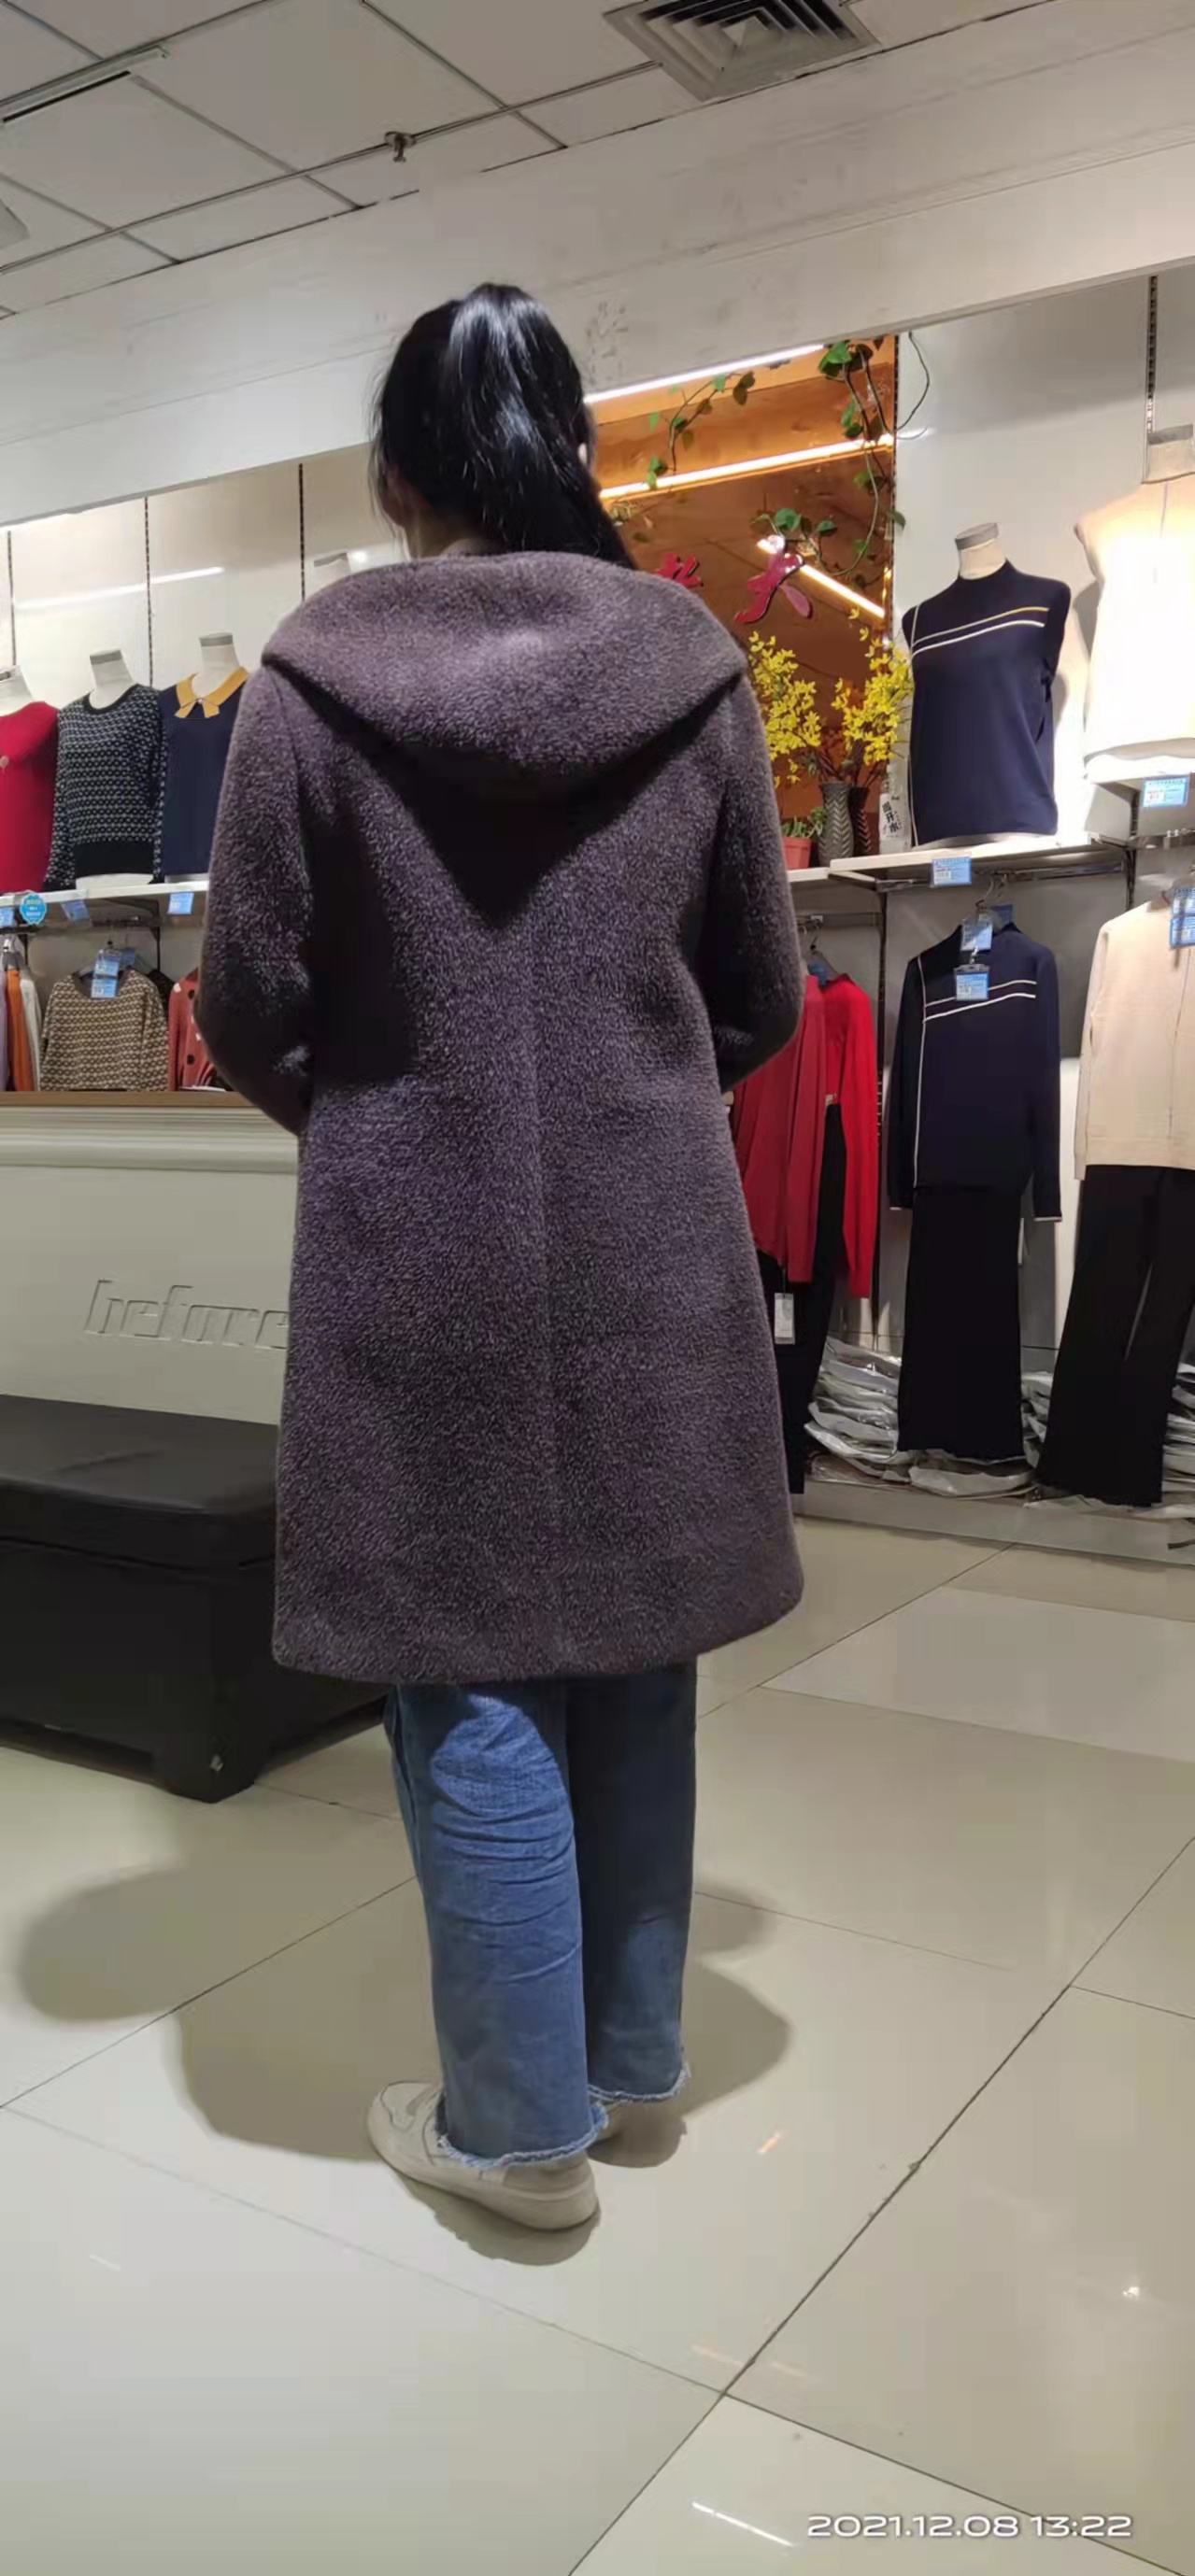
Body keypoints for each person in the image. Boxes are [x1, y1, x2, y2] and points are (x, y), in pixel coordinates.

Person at [199, 283, 804, 2234]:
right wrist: (634, 1102)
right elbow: (764, 990)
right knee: (635, 1638)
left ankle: (518, 2128)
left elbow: (245, 997)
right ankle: (626, 2064)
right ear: (570, 448)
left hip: (413, 1247)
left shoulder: (308, 686)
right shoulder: (695, 672)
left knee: (463, 1663)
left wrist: (385, 1117)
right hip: (650, 1242)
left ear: (399, 470)